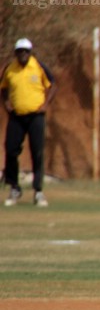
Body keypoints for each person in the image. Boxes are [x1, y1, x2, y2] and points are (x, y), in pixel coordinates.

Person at [2, 38, 57, 207]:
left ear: (30, 52)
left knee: (37, 151)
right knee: (11, 149)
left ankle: (38, 191)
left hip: (35, 116)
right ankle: (14, 188)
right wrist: (6, 103)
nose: (23, 54)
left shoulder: (38, 66)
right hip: (17, 116)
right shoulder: (10, 69)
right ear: (16, 53)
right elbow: (3, 88)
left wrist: (45, 105)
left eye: (26, 51)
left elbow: (53, 84)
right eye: (20, 51)